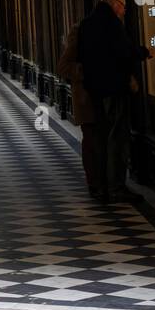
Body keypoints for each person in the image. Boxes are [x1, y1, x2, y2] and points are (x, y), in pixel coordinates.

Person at [76, 0, 150, 203]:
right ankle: (115, 186)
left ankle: (101, 186)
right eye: (124, 5)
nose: (125, 10)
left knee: (102, 138)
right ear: (115, 4)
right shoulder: (111, 24)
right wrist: (145, 52)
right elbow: (123, 53)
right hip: (113, 89)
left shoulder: (87, 23)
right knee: (117, 138)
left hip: (95, 90)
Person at [57, 20, 99, 196]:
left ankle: (107, 181)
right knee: (91, 141)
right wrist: (84, 70)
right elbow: (63, 67)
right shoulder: (79, 34)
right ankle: (94, 183)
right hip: (85, 99)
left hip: (104, 97)